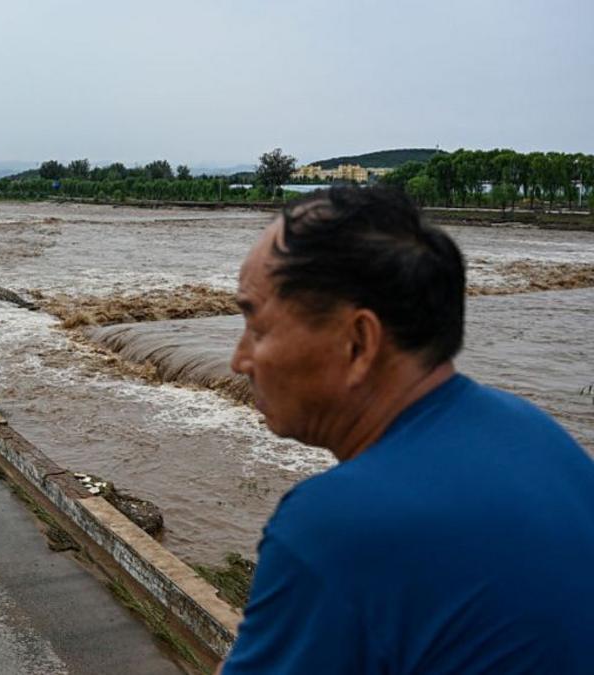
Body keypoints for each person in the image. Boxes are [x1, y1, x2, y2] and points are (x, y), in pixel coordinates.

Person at [219, 186, 594, 673]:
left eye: (258, 327)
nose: (239, 360)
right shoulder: (539, 435)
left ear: (358, 342)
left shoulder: (334, 528)